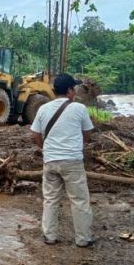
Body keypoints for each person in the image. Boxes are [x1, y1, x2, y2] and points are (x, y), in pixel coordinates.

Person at [30, 73, 95, 247]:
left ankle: (49, 236)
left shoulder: (43, 108)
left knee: (50, 199)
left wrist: (44, 148)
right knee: (79, 200)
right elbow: (88, 133)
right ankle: (83, 239)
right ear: (69, 90)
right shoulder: (79, 109)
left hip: (50, 160)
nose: (75, 91)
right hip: (72, 161)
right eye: (74, 88)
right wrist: (78, 144)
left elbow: (35, 134)